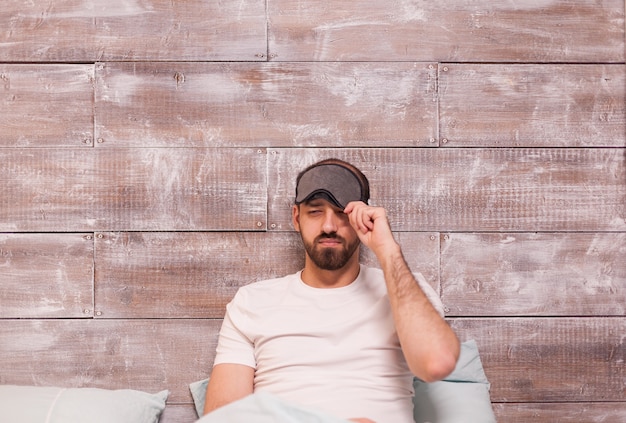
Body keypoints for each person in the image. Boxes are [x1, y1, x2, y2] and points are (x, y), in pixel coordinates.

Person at [203, 158, 460, 423]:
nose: (328, 226)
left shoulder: (405, 290)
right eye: (315, 211)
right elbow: (223, 417)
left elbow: (436, 363)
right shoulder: (252, 301)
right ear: (296, 218)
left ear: (365, 218)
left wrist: (387, 250)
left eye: (342, 213)